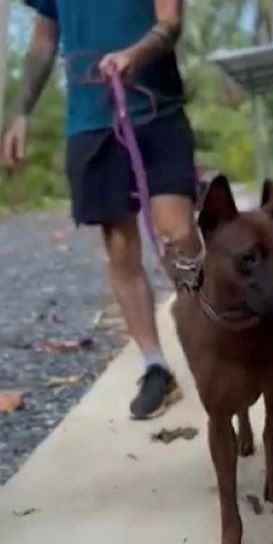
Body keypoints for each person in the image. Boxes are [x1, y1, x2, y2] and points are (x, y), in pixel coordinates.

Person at [2, 0, 198, 420]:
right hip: (90, 122)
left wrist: (134, 54)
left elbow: (170, 22)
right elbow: (44, 39)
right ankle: (154, 367)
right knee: (121, 249)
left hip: (157, 111)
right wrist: (20, 113)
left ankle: (212, 331)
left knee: (177, 235)